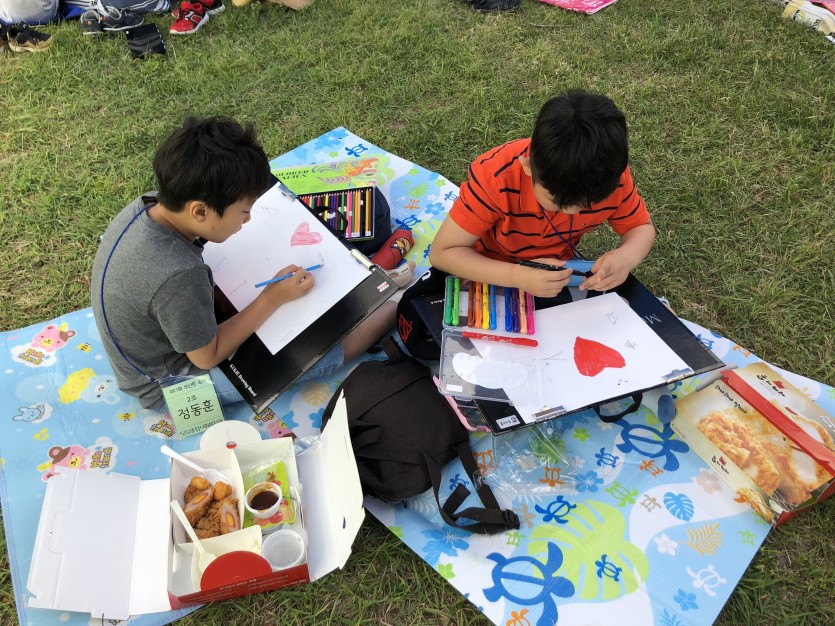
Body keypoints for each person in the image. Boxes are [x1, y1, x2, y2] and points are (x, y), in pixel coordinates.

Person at [90, 116, 396, 411]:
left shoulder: (149, 204)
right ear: (200, 211)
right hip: (167, 385)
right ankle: (396, 306)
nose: (247, 220)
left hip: (152, 344)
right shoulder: (180, 275)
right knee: (318, 352)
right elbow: (205, 357)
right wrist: (270, 298)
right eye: (244, 212)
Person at [428, 89, 655, 299]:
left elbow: (641, 228)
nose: (571, 211)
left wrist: (626, 257)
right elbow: (443, 253)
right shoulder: (495, 178)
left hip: (554, 274)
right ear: (527, 167)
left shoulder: (609, 177)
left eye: (588, 203)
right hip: (487, 271)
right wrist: (517, 276)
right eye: (556, 201)